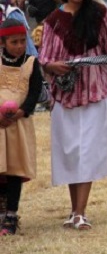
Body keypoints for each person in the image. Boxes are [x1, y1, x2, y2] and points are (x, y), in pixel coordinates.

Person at [39, 0, 107, 230]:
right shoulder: (53, 20)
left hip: (95, 90)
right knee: (71, 151)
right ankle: (74, 210)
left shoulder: (101, 14)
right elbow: (45, 58)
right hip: (65, 94)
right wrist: (53, 67)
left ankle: (80, 213)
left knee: (88, 151)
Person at [0, 19, 43, 235]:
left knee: (15, 169)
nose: (18, 46)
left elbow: (35, 92)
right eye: (13, 42)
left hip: (19, 126)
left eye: (21, 41)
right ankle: (1, 212)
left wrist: (22, 111)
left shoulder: (31, 62)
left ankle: (11, 215)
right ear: (3, 42)